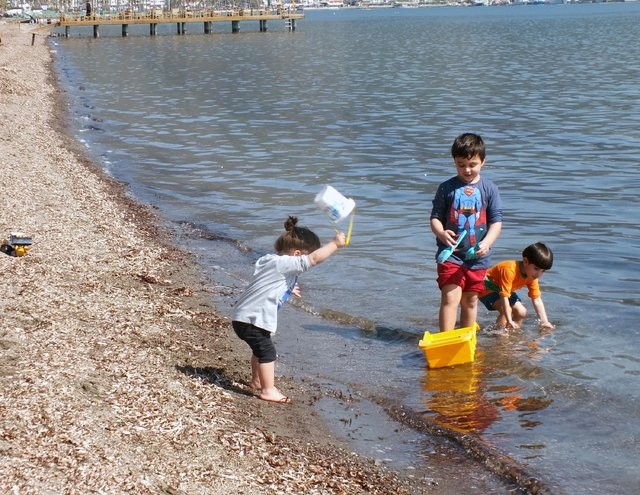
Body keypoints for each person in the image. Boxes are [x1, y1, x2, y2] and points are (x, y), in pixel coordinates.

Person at [232, 216, 346, 404]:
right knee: (268, 353)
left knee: (259, 349)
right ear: (296, 254)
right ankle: (268, 390)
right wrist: (334, 244)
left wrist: (287, 287)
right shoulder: (285, 263)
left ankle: (256, 380)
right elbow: (313, 259)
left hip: (243, 317)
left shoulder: (269, 261)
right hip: (254, 319)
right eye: (302, 258)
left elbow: (267, 281)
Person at [430, 133, 503, 332]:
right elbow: (435, 218)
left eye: (472, 164)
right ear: (454, 162)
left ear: (483, 162)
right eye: (461, 164)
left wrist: (487, 242)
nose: (467, 169)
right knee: (450, 297)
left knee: (470, 301)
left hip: (478, 258)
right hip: (451, 254)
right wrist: (441, 233)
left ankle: (466, 338)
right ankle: (446, 339)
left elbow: (496, 222)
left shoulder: (489, 189)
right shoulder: (446, 188)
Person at [479, 242, 555, 331]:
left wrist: (544, 321)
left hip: (502, 290)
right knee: (505, 311)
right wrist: (509, 319)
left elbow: (537, 299)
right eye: (536, 269)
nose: (539, 274)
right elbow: (504, 296)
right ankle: (500, 336)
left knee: (521, 312)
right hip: (487, 288)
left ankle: (512, 334)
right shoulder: (509, 269)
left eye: (543, 271)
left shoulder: (532, 276)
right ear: (526, 261)